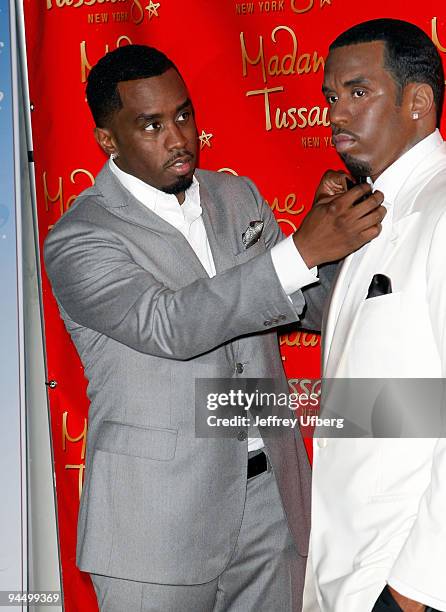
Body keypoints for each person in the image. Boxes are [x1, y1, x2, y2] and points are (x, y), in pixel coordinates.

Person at [44, 45, 384, 612]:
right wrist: (300, 252)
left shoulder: (236, 195)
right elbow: (170, 325)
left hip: (272, 509)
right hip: (153, 529)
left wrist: (338, 253)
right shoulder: (80, 237)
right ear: (108, 140)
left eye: (183, 114)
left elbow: (304, 307)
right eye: (151, 125)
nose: (178, 137)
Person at [304, 18, 446, 612]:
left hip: (404, 574)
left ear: (418, 102)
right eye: (332, 97)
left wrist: (416, 585)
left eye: (358, 93)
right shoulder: (368, 213)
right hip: (350, 568)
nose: (335, 114)